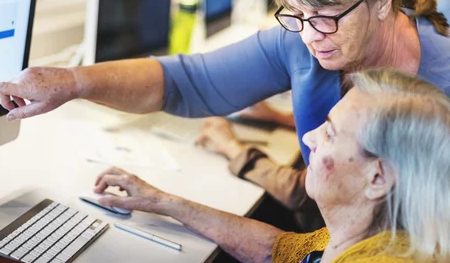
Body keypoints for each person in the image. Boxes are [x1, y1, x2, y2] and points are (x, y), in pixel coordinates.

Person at [0, 0, 450, 199]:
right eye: (296, 14)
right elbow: (186, 81)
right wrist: (73, 83)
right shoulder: (305, 40)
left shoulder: (441, 84)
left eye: (326, 15)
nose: (309, 35)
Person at [93, 69, 450, 263]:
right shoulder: (372, 230)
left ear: (378, 177)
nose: (309, 138)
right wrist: (161, 201)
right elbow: (281, 250)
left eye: (330, 133)